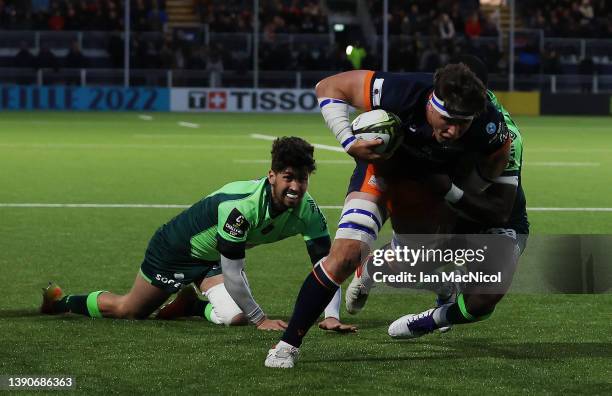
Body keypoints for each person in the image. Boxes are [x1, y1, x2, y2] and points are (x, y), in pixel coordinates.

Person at [265, 63, 514, 368]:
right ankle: (287, 344)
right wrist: (348, 140)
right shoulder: (403, 90)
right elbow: (328, 87)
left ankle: (384, 273)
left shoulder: (487, 119)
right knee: (345, 255)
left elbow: (500, 154)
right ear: (432, 102)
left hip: (427, 188)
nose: (454, 131)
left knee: (421, 261)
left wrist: (462, 191)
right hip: (380, 172)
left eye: (463, 124)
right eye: (447, 120)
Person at [41, 137, 354, 333]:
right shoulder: (242, 208)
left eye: (302, 179)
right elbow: (233, 271)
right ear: (272, 175)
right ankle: (60, 301)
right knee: (129, 311)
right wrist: (261, 319)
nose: (296, 187)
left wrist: (330, 315)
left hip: (213, 258)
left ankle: (188, 305)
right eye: (288, 178)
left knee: (233, 317)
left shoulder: (308, 212)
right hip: (175, 248)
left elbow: (329, 265)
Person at [347, 55, 529, 339]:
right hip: (448, 206)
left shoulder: (503, 134)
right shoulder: (429, 109)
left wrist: (448, 190)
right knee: (404, 271)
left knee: (483, 300)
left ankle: (432, 319)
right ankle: (370, 268)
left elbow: (500, 210)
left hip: (491, 217)